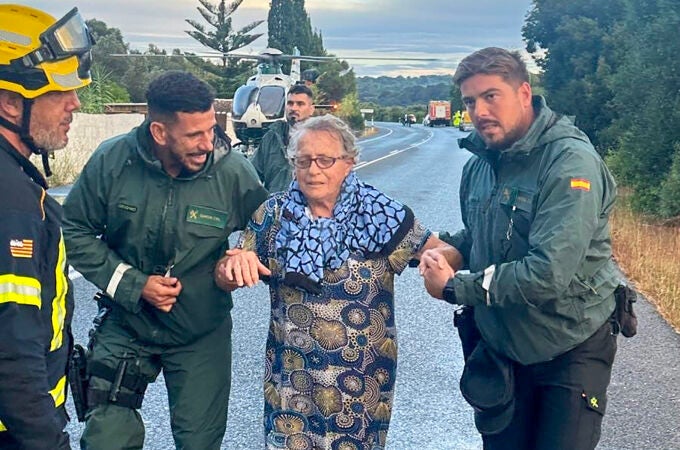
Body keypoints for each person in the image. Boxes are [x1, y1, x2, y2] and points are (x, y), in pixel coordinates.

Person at [215, 114, 458, 450]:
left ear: (349, 163)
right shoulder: (272, 216)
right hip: (292, 381)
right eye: (303, 160)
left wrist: (438, 262)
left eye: (325, 160)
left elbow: (445, 250)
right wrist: (232, 265)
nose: (314, 170)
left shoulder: (380, 214)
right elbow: (227, 276)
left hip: (360, 385)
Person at [419, 47, 619, 450]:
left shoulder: (569, 162)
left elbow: (549, 272)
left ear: (524, 94)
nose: (479, 111)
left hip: (569, 343)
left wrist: (456, 287)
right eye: (471, 101)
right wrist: (452, 250)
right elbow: (483, 233)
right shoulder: (480, 163)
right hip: (503, 346)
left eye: (491, 96)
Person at [62, 71, 268, 450]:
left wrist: (242, 255)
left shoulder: (233, 172)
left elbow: (270, 231)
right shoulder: (112, 161)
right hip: (127, 324)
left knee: (199, 442)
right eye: (194, 135)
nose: (207, 143)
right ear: (159, 132)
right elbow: (73, 231)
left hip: (199, 331)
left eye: (211, 129)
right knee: (107, 439)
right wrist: (134, 285)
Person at [0, 5, 94, 449]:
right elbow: (11, 348)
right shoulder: (11, 201)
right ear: (9, 102)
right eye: (59, 92)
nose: (74, 103)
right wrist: (46, 441)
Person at [250, 83, 315, 193]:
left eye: (300, 104)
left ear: (311, 109)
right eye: (290, 103)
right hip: (274, 206)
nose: (294, 108)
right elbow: (252, 175)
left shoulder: (321, 139)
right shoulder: (272, 137)